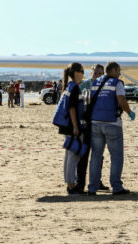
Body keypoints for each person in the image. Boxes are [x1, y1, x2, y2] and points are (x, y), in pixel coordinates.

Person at [87, 61, 136, 195]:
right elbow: (121, 100)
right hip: (112, 123)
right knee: (116, 156)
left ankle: (92, 187)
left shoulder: (95, 82)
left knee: (96, 156)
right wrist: (129, 112)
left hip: (95, 123)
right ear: (114, 70)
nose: (120, 73)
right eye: (118, 70)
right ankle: (116, 186)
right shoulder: (117, 83)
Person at [52, 62, 86, 195]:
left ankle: (69, 182)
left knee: (69, 154)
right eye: (82, 71)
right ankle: (71, 184)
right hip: (71, 126)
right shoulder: (74, 88)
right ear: (76, 73)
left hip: (66, 126)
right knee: (74, 155)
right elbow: (72, 108)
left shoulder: (69, 87)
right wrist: (76, 127)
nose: (83, 74)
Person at [78, 64, 109, 192]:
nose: (97, 76)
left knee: (98, 155)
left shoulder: (106, 86)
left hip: (99, 123)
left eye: (100, 74)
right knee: (83, 155)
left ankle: (97, 181)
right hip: (86, 124)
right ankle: (80, 184)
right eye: (95, 73)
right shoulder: (83, 85)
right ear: (91, 74)